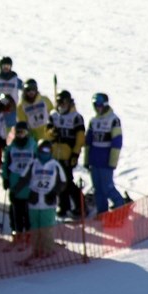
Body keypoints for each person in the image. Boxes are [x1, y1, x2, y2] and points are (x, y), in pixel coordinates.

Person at [14, 140, 67, 259]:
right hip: (34, 200)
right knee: (35, 228)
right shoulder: (33, 163)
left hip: (48, 202)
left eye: (47, 150)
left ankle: (47, 250)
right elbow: (24, 178)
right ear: (38, 150)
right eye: (43, 150)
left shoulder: (55, 165)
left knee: (46, 228)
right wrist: (15, 191)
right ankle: (37, 250)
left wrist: (54, 192)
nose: (45, 152)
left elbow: (63, 182)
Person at [84, 92, 124, 216]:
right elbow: (88, 142)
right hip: (95, 160)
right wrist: (86, 160)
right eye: (95, 104)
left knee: (108, 188)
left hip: (106, 161)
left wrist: (112, 161)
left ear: (105, 104)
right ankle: (103, 214)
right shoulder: (93, 121)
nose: (97, 107)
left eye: (100, 104)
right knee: (98, 189)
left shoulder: (113, 120)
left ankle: (121, 209)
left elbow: (117, 142)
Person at [48, 90, 86, 218]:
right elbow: (47, 133)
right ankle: (63, 206)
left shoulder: (76, 117)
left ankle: (81, 206)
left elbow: (80, 138)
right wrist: (53, 133)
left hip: (68, 155)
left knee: (68, 182)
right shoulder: (53, 116)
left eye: (64, 102)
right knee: (58, 181)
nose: (61, 105)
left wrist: (75, 154)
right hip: (55, 154)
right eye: (59, 102)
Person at [1, 122, 36, 245]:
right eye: (18, 132)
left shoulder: (33, 146)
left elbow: (37, 163)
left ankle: (29, 232)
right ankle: (17, 231)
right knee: (16, 210)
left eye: (23, 132)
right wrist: (5, 178)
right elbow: (6, 165)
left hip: (29, 184)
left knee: (28, 211)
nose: (21, 135)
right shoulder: (11, 148)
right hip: (15, 183)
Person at [0, 56, 23, 129]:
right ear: (0, 67)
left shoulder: (15, 79)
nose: (6, 68)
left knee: (10, 128)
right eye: (4, 66)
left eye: (8, 66)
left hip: (11, 109)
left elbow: (24, 87)